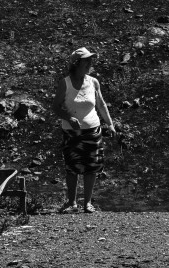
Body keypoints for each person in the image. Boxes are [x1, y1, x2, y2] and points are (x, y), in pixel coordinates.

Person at [52, 46, 115, 213]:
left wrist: (110, 124)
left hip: (92, 131)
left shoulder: (93, 82)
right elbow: (56, 106)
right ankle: (72, 203)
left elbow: (100, 104)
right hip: (71, 132)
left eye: (90, 61)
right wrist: (68, 118)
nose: (90, 64)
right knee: (72, 167)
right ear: (76, 63)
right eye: (86, 61)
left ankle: (87, 202)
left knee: (91, 167)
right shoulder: (64, 83)